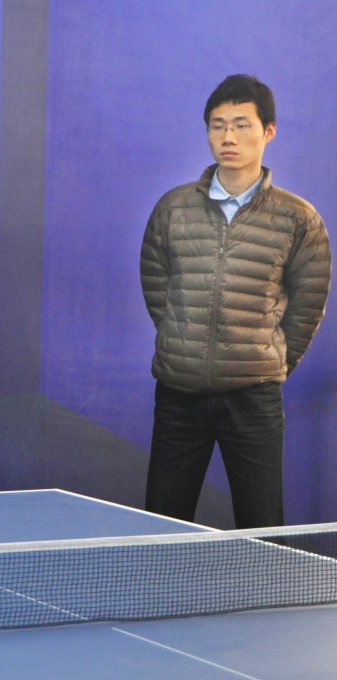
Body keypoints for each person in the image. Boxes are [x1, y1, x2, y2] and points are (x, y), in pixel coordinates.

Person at [140, 74, 331, 529]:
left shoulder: (298, 218)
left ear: (268, 131)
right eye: (217, 125)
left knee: (262, 526)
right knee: (162, 526)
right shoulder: (173, 208)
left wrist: (271, 358)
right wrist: (181, 340)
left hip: (253, 396)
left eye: (242, 125)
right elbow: (156, 285)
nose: (228, 137)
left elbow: (308, 304)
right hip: (178, 392)